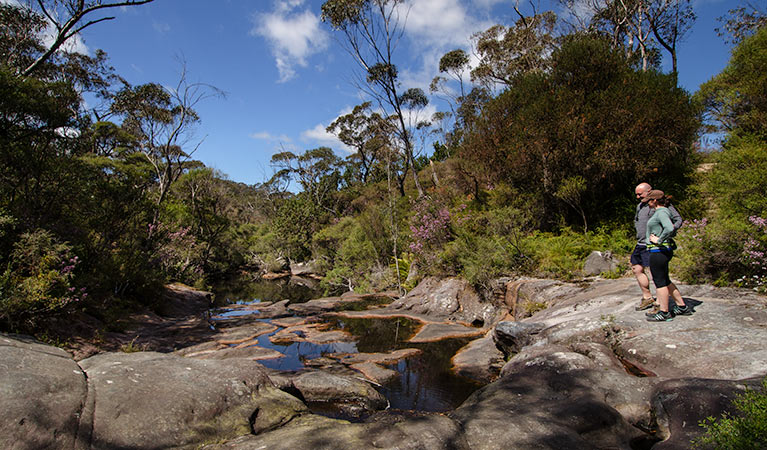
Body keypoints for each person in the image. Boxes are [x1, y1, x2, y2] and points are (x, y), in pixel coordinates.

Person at [631, 183, 682, 311]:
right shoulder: (641, 205)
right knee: (636, 268)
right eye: (636, 194)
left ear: (649, 192)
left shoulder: (662, 206)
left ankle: (660, 304)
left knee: (657, 275)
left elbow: (677, 220)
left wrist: (665, 235)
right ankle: (647, 297)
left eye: (640, 194)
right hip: (641, 243)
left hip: (655, 245)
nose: (637, 197)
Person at [644, 190, 693, 322]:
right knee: (665, 280)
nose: (647, 203)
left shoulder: (662, 212)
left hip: (658, 251)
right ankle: (682, 306)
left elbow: (670, 228)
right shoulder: (662, 211)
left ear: (654, 200)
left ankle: (664, 312)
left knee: (660, 282)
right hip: (661, 251)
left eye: (649, 200)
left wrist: (658, 240)